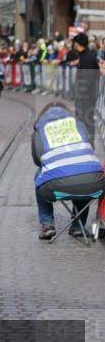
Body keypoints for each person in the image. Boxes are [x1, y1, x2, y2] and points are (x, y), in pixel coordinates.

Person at [31, 103, 105, 240]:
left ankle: (47, 224)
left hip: (55, 187)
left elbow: (37, 160)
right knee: (83, 172)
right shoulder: (78, 125)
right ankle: (78, 226)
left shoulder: (40, 128)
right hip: (94, 184)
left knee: (39, 175)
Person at [68, 33, 105, 149]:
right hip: (84, 96)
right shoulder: (83, 56)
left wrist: (81, 93)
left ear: (77, 44)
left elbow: (88, 79)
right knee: (82, 120)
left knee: (86, 121)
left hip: (87, 97)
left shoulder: (88, 58)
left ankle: (89, 145)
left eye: (74, 42)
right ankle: (85, 144)